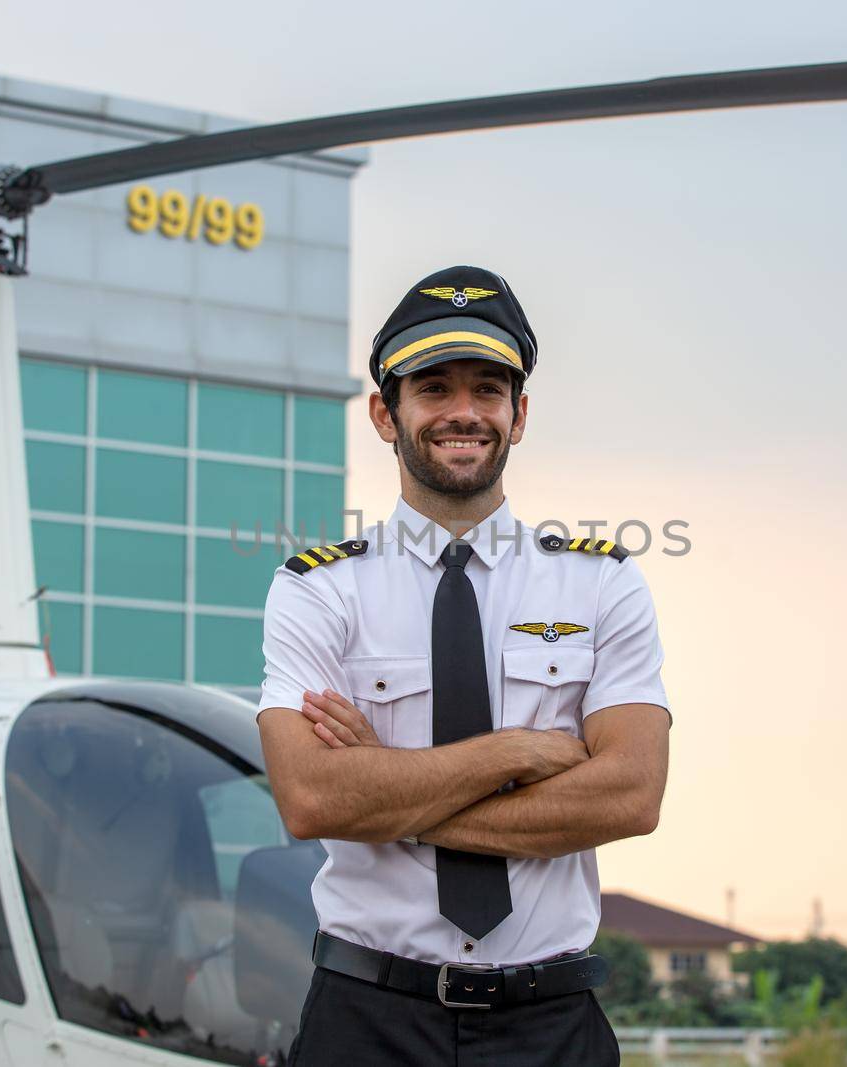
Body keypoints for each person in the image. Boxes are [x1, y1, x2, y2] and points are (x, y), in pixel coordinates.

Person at [256, 264, 671, 1065]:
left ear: (519, 416)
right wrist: (513, 753)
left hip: (550, 1024)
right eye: (434, 387)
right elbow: (310, 797)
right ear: (386, 413)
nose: (463, 413)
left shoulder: (602, 582)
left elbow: (630, 792)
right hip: (367, 1019)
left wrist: (382, 784)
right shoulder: (316, 590)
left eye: (488, 388)